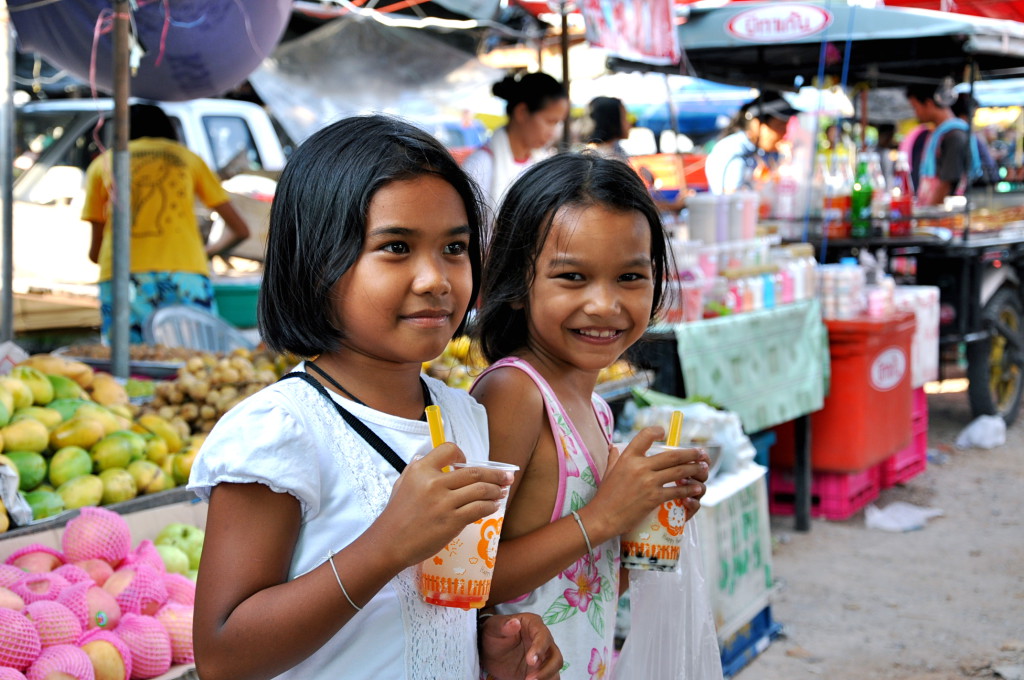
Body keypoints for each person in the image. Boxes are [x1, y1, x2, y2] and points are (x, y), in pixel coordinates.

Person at [187, 115, 562, 680]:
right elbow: (223, 656)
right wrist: (386, 544)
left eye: (455, 248)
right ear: (317, 263)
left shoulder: (464, 416)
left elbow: (426, 611)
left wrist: (493, 643)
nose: (435, 278)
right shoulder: (282, 431)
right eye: (395, 247)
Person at [469, 152, 710, 678]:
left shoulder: (596, 410)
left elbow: (584, 581)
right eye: (573, 277)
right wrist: (605, 516)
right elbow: (472, 578)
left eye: (629, 277)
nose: (605, 304)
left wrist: (647, 526)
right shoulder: (514, 394)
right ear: (515, 285)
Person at [81, 103, 251, 342]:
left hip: (122, 274)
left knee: (128, 365)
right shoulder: (189, 159)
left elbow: (96, 252)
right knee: (195, 362)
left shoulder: (104, 164)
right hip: (186, 273)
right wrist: (206, 253)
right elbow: (241, 230)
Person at [462, 72, 569, 217]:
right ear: (522, 112)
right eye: (550, 121)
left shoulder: (541, 163)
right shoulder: (479, 166)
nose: (553, 132)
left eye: (558, 123)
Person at [584, 95, 687, 215]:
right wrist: (674, 206)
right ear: (612, 120)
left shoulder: (607, 152)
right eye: (624, 117)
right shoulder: (606, 159)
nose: (630, 122)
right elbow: (628, 204)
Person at [704, 90, 798, 194]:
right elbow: (733, 200)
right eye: (780, 126)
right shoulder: (733, 151)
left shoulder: (764, 152)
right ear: (757, 125)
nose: (784, 133)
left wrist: (786, 160)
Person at [905, 83, 982, 206]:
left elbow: (947, 184)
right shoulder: (939, 134)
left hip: (944, 216)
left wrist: (928, 214)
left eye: (915, 107)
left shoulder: (954, 135)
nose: (916, 113)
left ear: (929, 103)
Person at [951, 93, 1000, 186]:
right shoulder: (961, 134)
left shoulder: (967, 134)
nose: (973, 119)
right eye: (973, 115)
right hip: (978, 185)